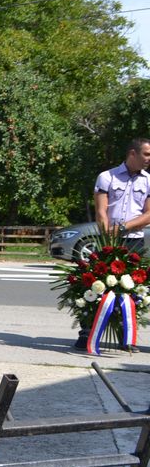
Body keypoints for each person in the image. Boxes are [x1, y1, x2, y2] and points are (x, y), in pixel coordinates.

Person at [76, 138, 150, 350]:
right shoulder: (107, 177)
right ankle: (87, 333)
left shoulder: (148, 181)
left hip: (134, 241)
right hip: (107, 240)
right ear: (132, 153)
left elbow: (148, 214)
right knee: (96, 286)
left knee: (132, 289)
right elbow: (101, 211)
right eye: (146, 154)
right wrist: (108, 234)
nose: (149, 159)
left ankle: (126, 338)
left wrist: (124, 228)